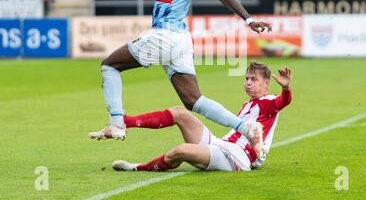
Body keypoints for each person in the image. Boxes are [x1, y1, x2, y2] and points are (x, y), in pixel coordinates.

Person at [89, 0, 272, 159]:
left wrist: (249, 20)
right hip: (179, 40)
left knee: (109, 65)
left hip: (165, 37)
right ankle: (246, 128)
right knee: (193, 101)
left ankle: (116, 122)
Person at [112, 62, 292, 172]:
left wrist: (286, 88)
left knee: (181, 150)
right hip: (221, 144)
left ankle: (137, 167)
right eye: (246, 78)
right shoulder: (248, 104)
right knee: (180, 112)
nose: (248, 83)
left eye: (253, 79)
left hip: (237, 157)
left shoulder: (268, 101)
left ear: (267, 83)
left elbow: (282, 102)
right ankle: (124, 122)